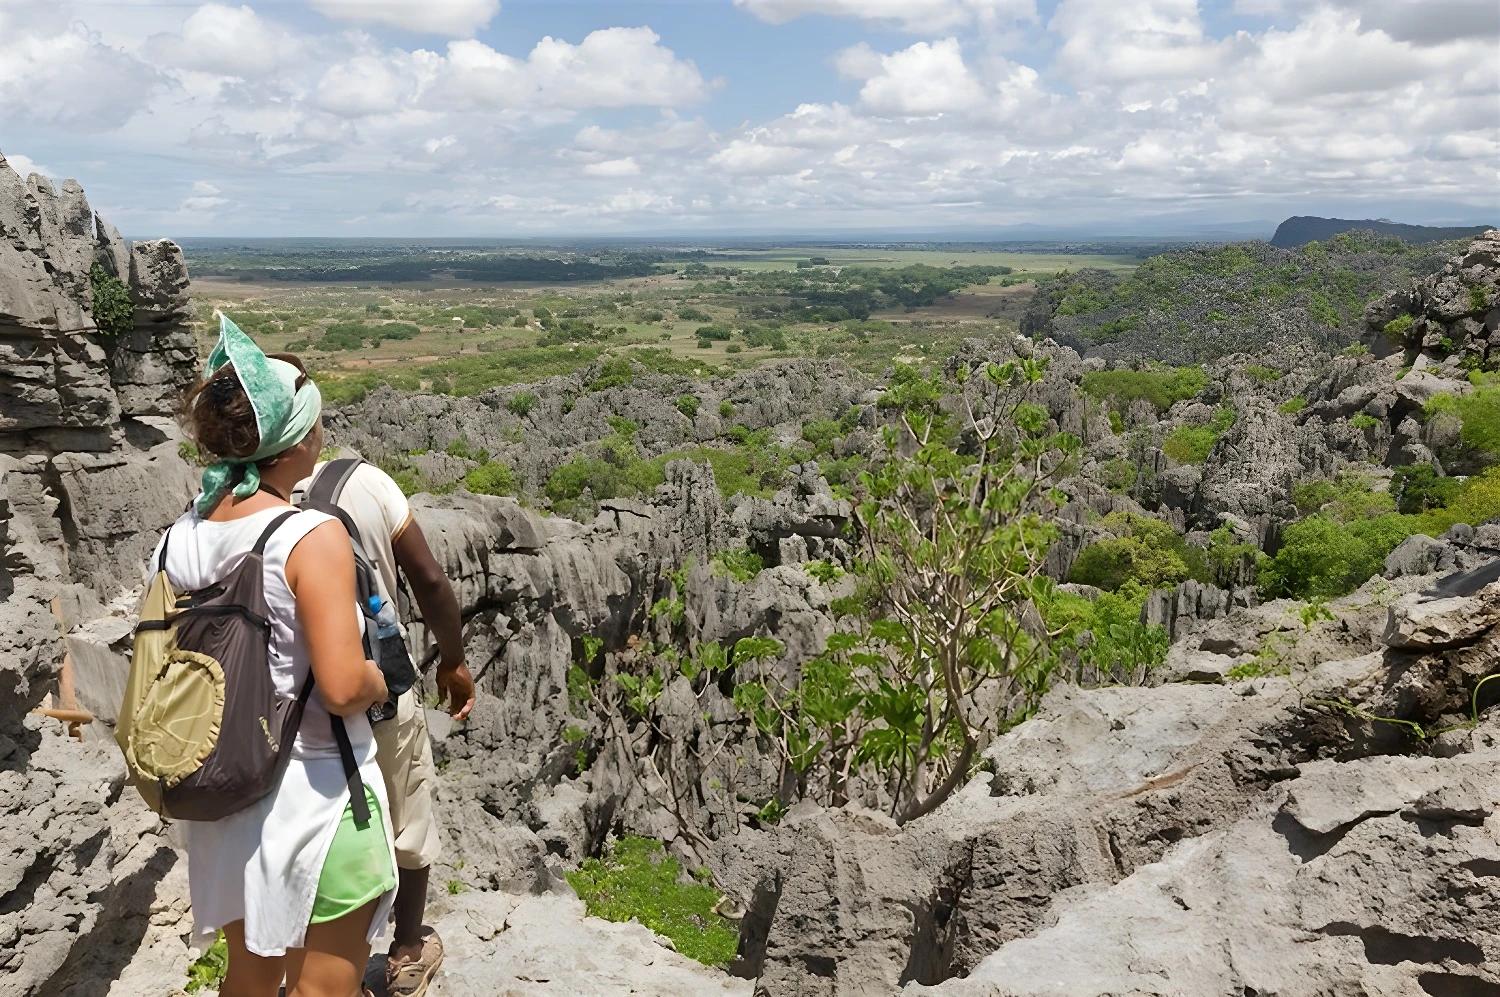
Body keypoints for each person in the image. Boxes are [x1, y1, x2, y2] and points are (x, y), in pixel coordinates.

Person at [160, 317, 395, 997]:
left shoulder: (180, 536)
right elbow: (346, 685)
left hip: (225, 796)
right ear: (298, 440)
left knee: (250, 980)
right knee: (324, 987)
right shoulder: (308, 534)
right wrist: (382, 676)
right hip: (319, 797)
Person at [294, 447, 475, 997]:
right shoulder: (367, 483)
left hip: (295, 706)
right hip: (376, 690)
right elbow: (430, 579)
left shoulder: (252, 496)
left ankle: (310, 960)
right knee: (407, 817)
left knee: (317, 832)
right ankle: (407, 951)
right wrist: (453, 661)